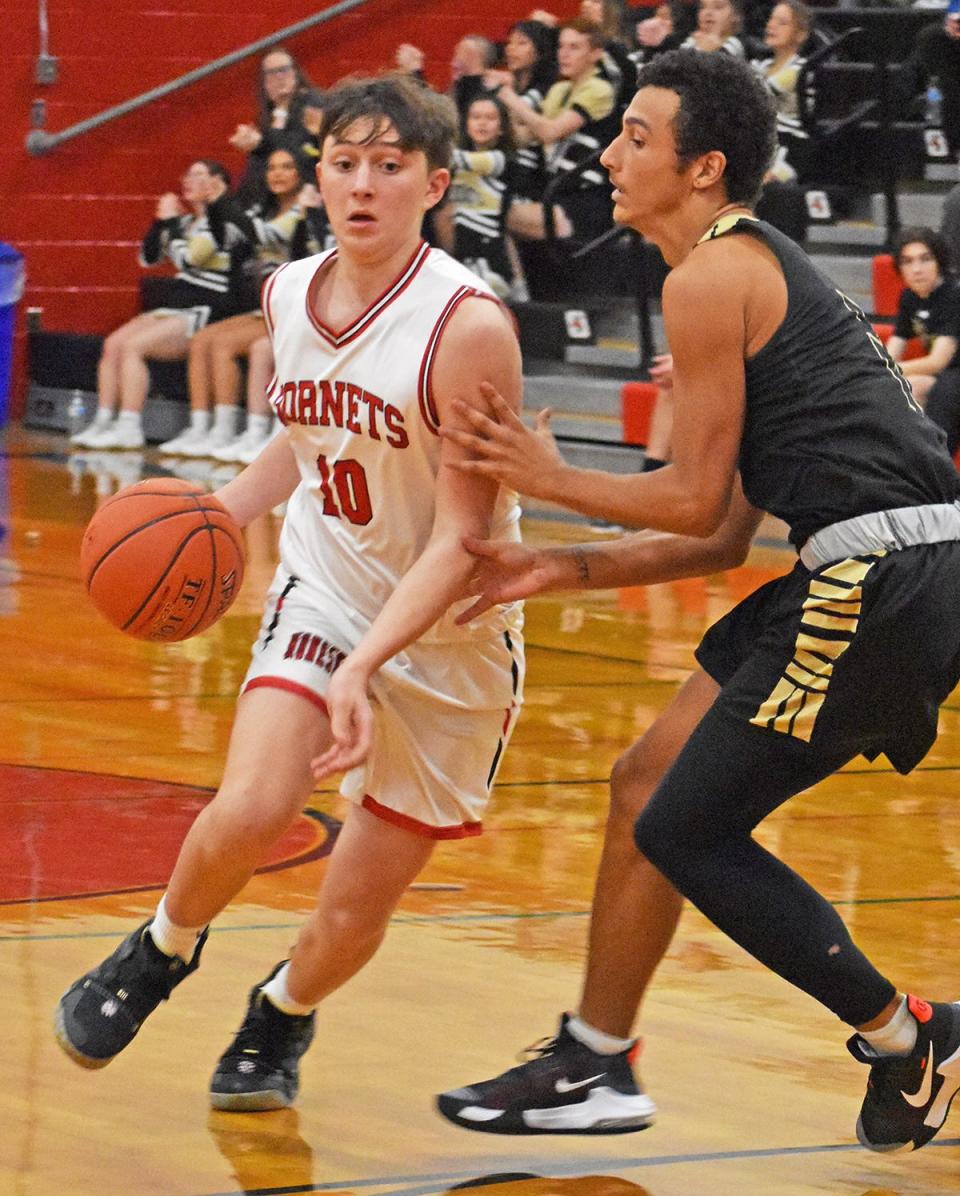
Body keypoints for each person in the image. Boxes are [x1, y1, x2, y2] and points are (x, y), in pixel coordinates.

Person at [435, 49, 960, 1153]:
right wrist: (560, 565)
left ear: (705, 166)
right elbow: (722, 530)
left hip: (885, 575)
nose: (613, 152)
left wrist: (547, 476)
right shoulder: (737, 271)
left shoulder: (712, 271)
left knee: (687, 824)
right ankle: (597, 1055)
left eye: (636, 134)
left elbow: (685, 493)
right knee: (643, 786)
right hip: (867, 567)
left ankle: (909, 1032)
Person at [54, 73, 525, 1115]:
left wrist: (372, 666)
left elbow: (465, 536)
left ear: (433, 184)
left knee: (355, 904)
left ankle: (281, 1011)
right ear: (318, 174)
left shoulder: (469, 327)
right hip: (327, 590)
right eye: (345, 163)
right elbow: (305, 436)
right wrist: (220, 513)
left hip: (452, 633)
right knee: (258, 801)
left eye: (389, 167)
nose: (363, 185)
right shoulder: (285, 291)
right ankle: (162, 945)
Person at [158, 149, 320, 460]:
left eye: (287, 167)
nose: (277, 174)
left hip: (298, 307)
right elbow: (237, 237)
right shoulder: (262, 209)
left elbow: (266, 238)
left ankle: (256, 431)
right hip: (266, 306)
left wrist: (222, 204)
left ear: (302, 174)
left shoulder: (304, 209)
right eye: (272, 167)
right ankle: (208, 428)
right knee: (205, 339)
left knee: (235, 346)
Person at [70, 160, 240, 451]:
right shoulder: (187, 222)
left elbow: (190, 259)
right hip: (178, 303)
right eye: (187, 174)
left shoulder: (225, 221)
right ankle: (104, 419)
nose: (188, 180)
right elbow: (148, 259)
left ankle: (129, 425)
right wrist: (160, 221)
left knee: (136, 346)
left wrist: (171, 224)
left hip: (208, 307)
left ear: (217, 183)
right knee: (114, 343)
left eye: (198, 175)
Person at [501, 19, 618, 245]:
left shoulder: (599, 89)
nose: (564, 54)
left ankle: (513, 281)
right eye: (562, 46)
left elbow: (549, 132)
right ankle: (513, 280)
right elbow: (527, 136)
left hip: (583, 200)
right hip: (554, 193)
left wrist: (510, 98)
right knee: (479, 209)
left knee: (491, 213)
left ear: (596, 54)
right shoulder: (559, 89)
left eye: (574, 47)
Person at [885, 227, 960, 437]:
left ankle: (937, 461)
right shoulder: (909, 297)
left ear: (939, 262)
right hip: (945, 375)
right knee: (895, 389)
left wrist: (889, 370)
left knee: (940, 390)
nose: (916, 269)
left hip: (951, 374)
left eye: (925, 259)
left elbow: (938, 362)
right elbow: (893, 348)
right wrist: (881, 371)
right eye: (907, 261)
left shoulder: (954, 295)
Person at [230, 48, 325, 199]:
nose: (279, 76)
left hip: (308, 195)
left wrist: (260, 145)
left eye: (284, 70)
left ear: (295, 74)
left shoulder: (314, 105)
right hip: (273, 200)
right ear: (265, 83)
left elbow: (300, 157)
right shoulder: (269, 116)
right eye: (272, 72)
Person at [680, 0, 745, 58]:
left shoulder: (735, 44)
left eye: (718, 7)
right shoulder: (690, 42)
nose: (708, 12)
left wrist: (702, 49)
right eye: (702, 7)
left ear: (735, 15)